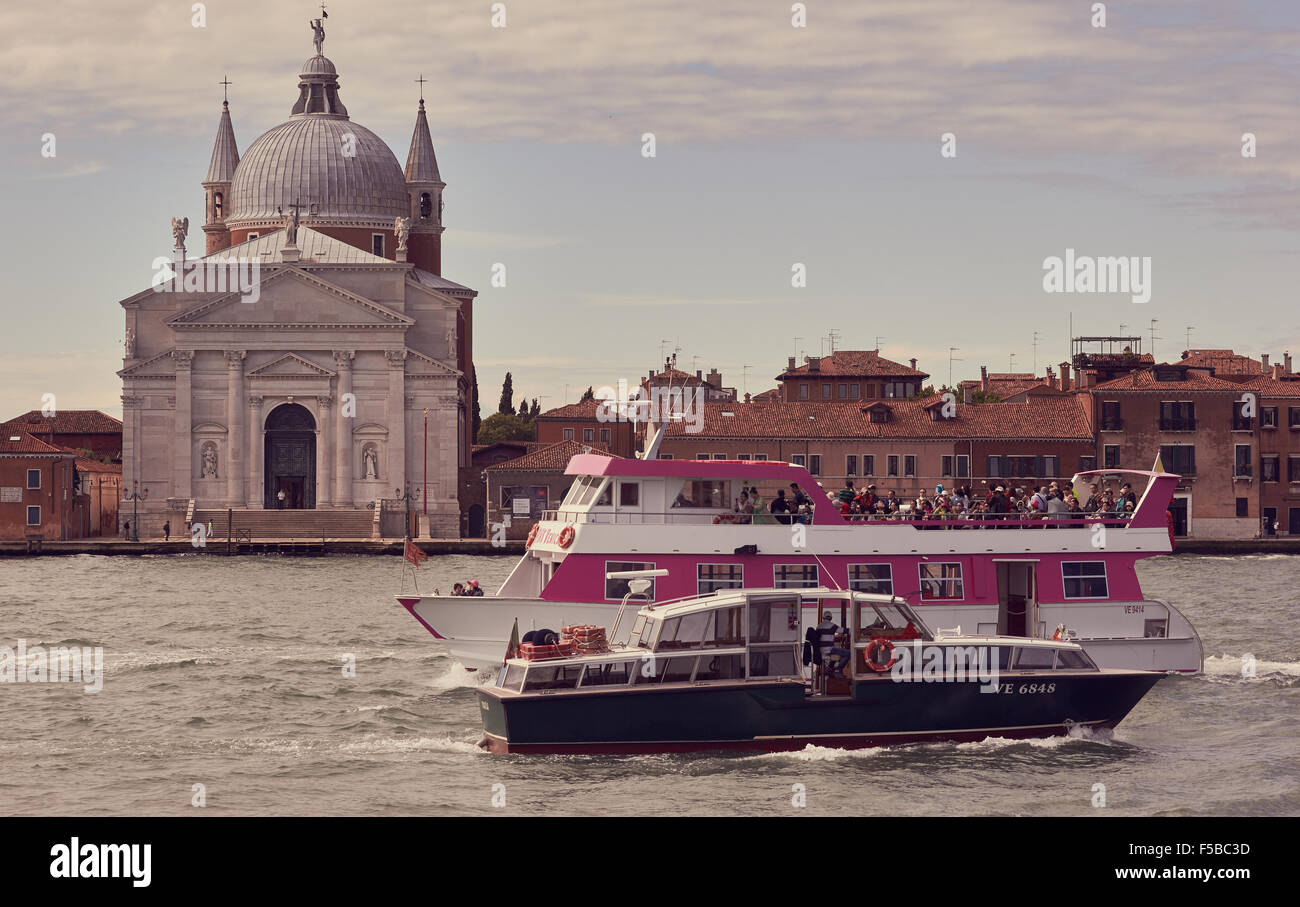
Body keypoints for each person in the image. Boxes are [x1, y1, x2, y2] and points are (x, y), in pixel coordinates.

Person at [817, 613, 852, 678]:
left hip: (820, 650)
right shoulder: (831, 626)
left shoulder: (818, 626)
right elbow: (843, 630)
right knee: (848, 653)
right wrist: (854, 630)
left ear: (823, 618)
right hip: (828, 650)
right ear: (831, 618)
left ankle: (830, 669)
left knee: (836, 652)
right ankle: (838, 670)